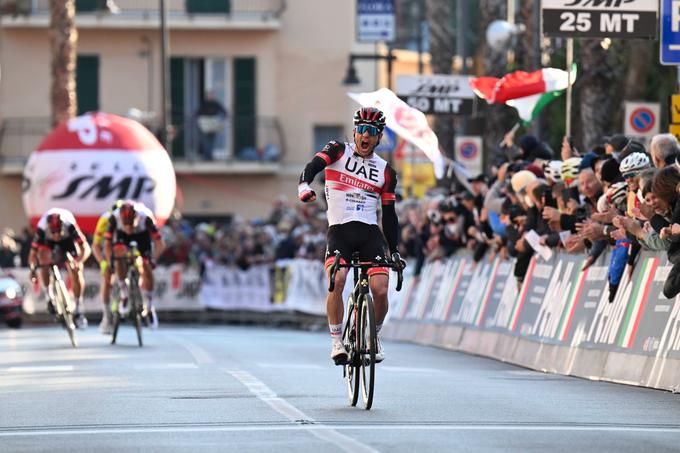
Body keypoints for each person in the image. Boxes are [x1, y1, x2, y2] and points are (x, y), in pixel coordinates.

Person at [297, 106, 404, 364]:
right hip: (340, 230)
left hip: (369, 232)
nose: (365, 136)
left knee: (380, 289)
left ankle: (374, 336)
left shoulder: (386, 171)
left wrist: (395, 249)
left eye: (372, 132)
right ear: (355, 132)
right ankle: (336, 341)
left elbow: (389, 215)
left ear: (379, 138)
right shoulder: (338, 150)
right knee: (339, 279)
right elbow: (312, 166)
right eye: (362, 130)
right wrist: (304, 186)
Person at [104, 201, 165, 329]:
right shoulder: (114, 219)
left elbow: (160, 244)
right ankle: (124, 292)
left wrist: (154, 260)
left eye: (131, 224)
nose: (129, 228)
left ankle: (150, 307)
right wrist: (111, 262)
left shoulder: (146, 218)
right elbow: (108, 245)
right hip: (122, 237)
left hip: (142, 236)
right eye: (126, 224)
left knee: (147, 266)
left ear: (137, 217)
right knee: (119, 254)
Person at [28, 208, 91, 328]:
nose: (56, 235)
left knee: (76, 269)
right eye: (54, 232)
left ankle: (78, 309)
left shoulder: (70, 225)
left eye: (58, 231)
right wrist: (32, 270)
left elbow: (86, 248)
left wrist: (79, 261)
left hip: (67, 241)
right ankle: (49, 296)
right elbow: (32, 255)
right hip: (48, 243)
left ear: (63, 227)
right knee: (43, 259)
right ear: (49, 229)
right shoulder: (42, 228)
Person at [91, 200, 123, 334]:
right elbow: (96, 245)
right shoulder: (105, 219)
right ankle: (106, 314)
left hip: (124, 243)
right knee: (107, 276)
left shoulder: (132, 218)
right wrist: (102, 262)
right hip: (110, 247)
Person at [196, 91, 228, 161]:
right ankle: (206, 156)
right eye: (209, 95)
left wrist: (223, 117)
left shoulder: (215, 103)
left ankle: (209, 156)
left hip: (213, 124)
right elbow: (198, 112)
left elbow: (223, 111)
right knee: (205, 141)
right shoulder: (204, 104)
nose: (210, 97)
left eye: (211, 95)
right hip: (205, 124)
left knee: (211, 141)